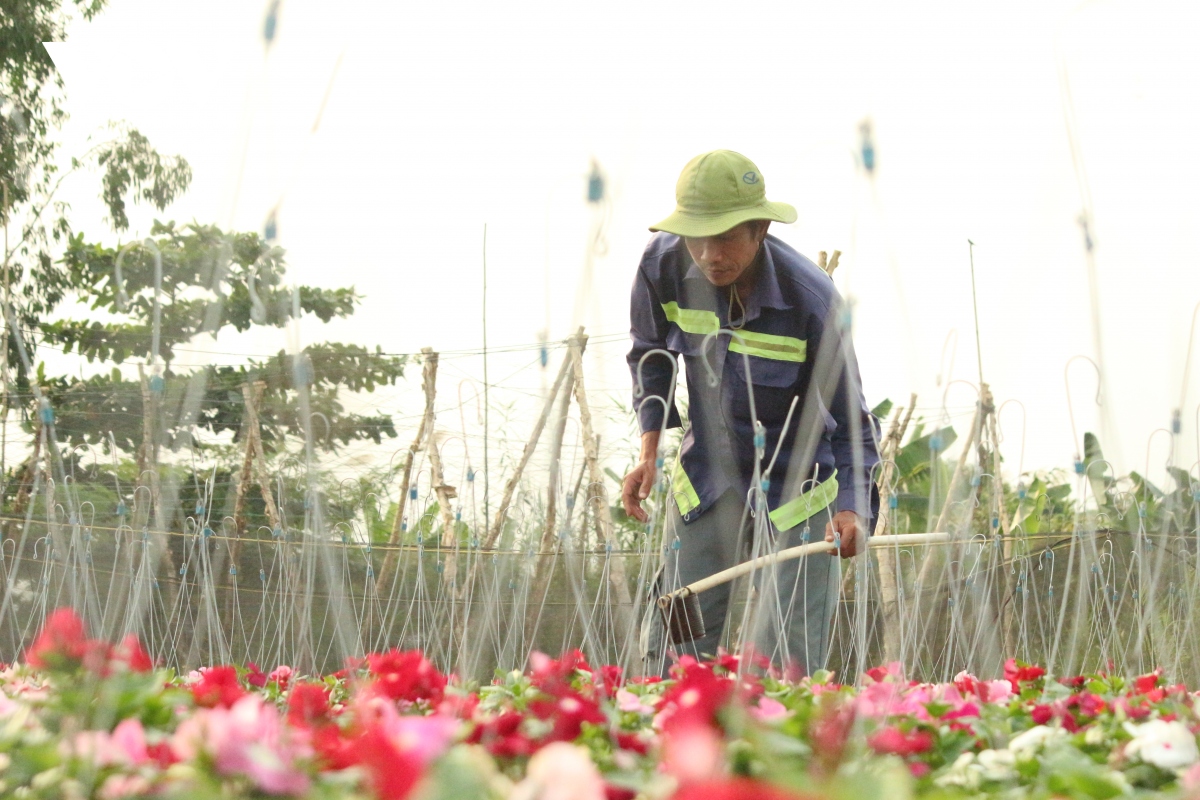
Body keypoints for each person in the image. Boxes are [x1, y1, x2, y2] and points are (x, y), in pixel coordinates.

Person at [623, 149, 880, 675]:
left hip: (800, 491)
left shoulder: (812, 299)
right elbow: (650, 356)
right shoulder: (662, 265)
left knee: (785, 661)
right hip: (708, 480)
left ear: (759, 228)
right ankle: (665, 740)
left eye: (725, 238)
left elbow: (851, 416)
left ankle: (774, 746)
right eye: (698, 237)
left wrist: (853, 507)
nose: (709, 254)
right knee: (676, 639)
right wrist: (650, 450)